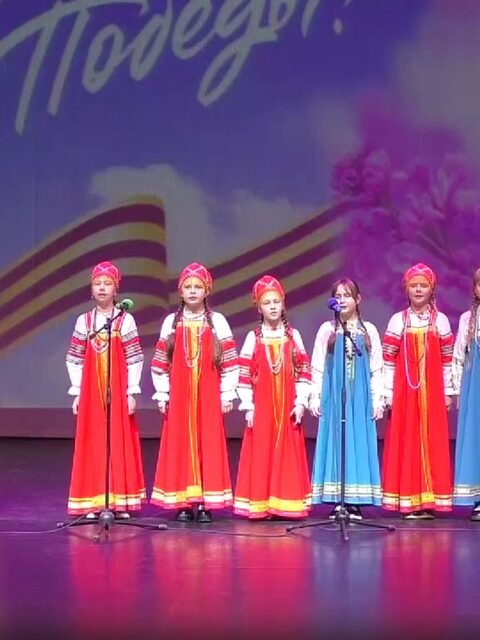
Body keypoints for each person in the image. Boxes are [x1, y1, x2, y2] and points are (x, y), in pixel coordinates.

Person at [151, 263, 238, 523]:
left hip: (208, 395)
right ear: (180, 291)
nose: (192, 291)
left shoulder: (217, 321)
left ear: (206, 291)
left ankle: (205, 503)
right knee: (180, 444)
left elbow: (230, 360)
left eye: (197, 287)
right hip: (180, 396)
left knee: (207, 444)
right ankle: (184, 503)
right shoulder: (171, 322)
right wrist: (163, 393)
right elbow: (160, 361)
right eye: (187, 287)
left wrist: (227, 393)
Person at [66, 261, 146, 518]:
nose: (102, 288)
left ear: (116, 289)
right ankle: (93, 501)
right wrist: (77, 392)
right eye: (97, 283)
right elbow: (75, 358)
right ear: (91, 289)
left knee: (117, 441)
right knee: (93, 442)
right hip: (91, 393)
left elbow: (134, 357)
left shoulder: (125, 319)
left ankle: (119, 502)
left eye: (107, 283)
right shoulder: (85, 321)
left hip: (118, 391)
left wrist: (131, 391)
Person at [234, 275, 311, 520]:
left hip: (287, 406)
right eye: (267, 303)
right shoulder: (253, 338)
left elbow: (304, 370)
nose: (273, 307)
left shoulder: (293, 336)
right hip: (263, 407)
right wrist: (248, 406)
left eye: (276, 302)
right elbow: (243, 374)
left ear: (283, 304)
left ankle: (285, 503)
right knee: (263, 452)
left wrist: (301, 402)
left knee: (287, 452)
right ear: (259, 307)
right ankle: (262, 504)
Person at [382, 263, 454, 519]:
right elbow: (388, 360)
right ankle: (409, 501)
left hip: (432, 392)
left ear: (431, 289)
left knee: (433, 442)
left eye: (424, 285)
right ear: (407, 289)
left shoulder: (440, 321)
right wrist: (388, 393)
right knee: (407, 441)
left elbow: (447, 359)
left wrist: (448, 392)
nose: (419, 289)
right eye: (414, 285)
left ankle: (430, 501)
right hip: (405, 393)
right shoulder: (398, 320)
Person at [310, 278, 383, 520]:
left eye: (347, 295)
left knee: (358, 441)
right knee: (336, 442)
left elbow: (377, 368)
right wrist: (315, 396)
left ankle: (355, 501)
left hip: (360, 398)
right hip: (334, 397)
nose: (342, 300)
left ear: (358, 299)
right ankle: (337, 500)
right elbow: (317, 366)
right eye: (338, 296)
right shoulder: (327, 330)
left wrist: (378, 399)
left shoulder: (368, 330)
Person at [452, 267, 480, 520]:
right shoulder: (467, 319)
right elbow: (459, 357)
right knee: (475, 439)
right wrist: (458, 389)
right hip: (475, 387)